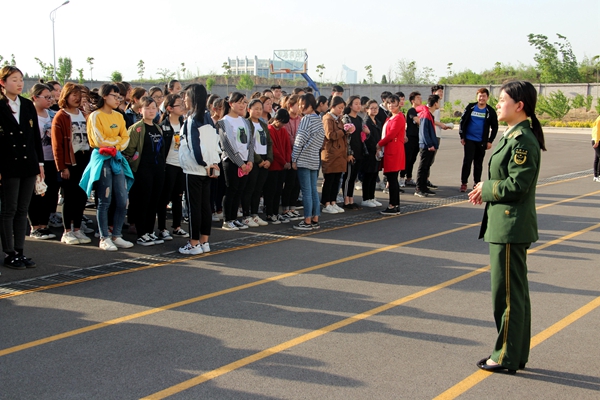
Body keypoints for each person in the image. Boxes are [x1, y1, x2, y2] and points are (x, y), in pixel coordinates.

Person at [469, 80, 546, 374]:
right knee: (513, 294)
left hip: (511, 227)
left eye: (502, 100)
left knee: (507, 296)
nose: (498, 104)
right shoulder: (511, 135)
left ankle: (505, 356)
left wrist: (486, 188)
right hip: (504, 225)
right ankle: (514, 353)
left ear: (519, 105)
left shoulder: (523, 140)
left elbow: (518, 184)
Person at [0, 66, 44, 269]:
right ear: (3, 82)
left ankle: (19, 250)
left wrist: (40, 164)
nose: (19, 84)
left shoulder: (27, 105)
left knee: (22, 209)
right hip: (8, 164)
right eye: (14, 79)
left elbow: (35, 138)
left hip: (28, 163)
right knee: (9, 209)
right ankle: (9, 252)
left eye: (21, 80)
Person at [81, 84, 134, 251]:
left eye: (119, 97)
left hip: (116, 159)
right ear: (104, 96)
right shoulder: (95, 116)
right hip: (102, 160)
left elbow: (125, 139)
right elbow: (98, 141)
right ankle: (104, 237)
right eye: (115, 96)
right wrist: (116, 143)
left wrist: (115, 146)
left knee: (122, 199)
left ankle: (116, 235)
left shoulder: (119, 117)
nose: (118, 100)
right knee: (105, 200)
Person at [177, 84, 221, 254]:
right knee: (205, 206)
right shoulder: (208, 118)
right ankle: (204, 241)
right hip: (208, 168)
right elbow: (213, 143)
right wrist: (212, 163)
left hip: (194, 169)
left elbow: (195, 147)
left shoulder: (191, 119)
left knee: (194, 207)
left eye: (186, 97)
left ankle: (194, 243)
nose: (184, 100)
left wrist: (204, 163)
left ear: (193, 98)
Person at [52, 82, 93, 245]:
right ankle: (67, 231)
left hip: (85, 158)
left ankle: (77, 228)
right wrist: (62, 167)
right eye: (73, 95)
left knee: (82, 195)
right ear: (66, 96)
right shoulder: (61, 116)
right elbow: (57, 145)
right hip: (71, 160)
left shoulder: (83, 114)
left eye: (79, 95)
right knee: (70, 196)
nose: (77, 98)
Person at [123, 97, 166, 246]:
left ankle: (149, 231)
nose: (151, 111)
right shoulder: (136, 128)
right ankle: (141, 233)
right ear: (140, 110)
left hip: (158, 169)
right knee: (143, 202)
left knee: (154, 202)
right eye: (147, 108)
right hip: (143, 170)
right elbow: (129, 150)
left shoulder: (157, 127)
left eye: (154, 108)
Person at [217, 92, 254, 231]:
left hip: (245, 162)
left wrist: (250, 161)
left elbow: (251, 142)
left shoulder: (244, 121)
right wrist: (241, 163)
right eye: (239, 102)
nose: (242, 105)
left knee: (240, 190)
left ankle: (234, 218)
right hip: (231, 161)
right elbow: (227, 145)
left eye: (244, 102)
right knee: (231, 190)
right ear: (231, 104)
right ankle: (227, 220)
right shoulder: (224, 122)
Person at [157, 94, 189, 240]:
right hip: (168, 165)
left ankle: (177, 226)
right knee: (164, 198)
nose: (182, 107)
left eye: (183, 104)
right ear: (169, 108)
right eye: (179, 105)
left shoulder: (185, 124)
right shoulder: (163, 125)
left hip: (181, 165)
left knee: (178, 197)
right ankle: (162, 228)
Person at [28, 83, 58, 240]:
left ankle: (44, 225)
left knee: (50, 193)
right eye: (46, 97)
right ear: (35, 97)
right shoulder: (29, 115)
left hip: (52, 159)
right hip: (36, 160)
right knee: (36, 193)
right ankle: (35, 226)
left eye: (51, 97)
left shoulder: (53, 115)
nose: (50, 100)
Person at [291, 94, 325, 231]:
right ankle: (315, 218)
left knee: (306, 192)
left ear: (310, 105)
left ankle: (307, 220)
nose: (300, 107)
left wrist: (294, 158)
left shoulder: (306, 120)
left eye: (302, 105)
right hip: (314, 158)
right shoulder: (318, 119)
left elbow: (299, 141)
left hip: (304, 159)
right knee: (313, 191)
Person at [459, 88, 499, 192]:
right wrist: (462, 136)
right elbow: (462, 122)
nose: (481, 98)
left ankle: (476, 183)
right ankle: (464, 183)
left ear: (487, 98)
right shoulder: (470, 107)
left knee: (478, 163)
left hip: (481, 141)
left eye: (484, 96)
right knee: (467, 161)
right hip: (469, 140)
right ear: (477, 97)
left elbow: (495, 127)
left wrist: (490, 141)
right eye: (480, 96)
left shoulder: (490, 111)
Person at [241, 99, 272, 227]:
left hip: (265, 159)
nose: (258, 111)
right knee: (250, 188)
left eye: (260, 108)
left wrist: (269, 159)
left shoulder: (263, 124)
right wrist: (258, 160)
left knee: (258, 189)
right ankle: (246, 215)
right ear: (249, 109)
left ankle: (254, 214)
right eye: (256, 108)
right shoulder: (246, 124)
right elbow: (248, 145)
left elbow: (269, 143)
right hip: (253, 161)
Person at [376, 94, 405, 215]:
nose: (391, 105)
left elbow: (391, 134)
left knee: (392, 179)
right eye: (389, 103)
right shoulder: (391, 117)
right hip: (391, 149)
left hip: (393, 150)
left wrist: (379, 144)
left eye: (393, 102)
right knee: (392, 179)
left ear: (399, 103)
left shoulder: (398, 117)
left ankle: (393, 205)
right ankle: (395, 204)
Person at [321, 96, 348, 214]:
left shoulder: (338, 119)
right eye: (339, 108)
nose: (341, 110)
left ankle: (333, 201)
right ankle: (326, 203)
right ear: (332, 107)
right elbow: (330, 135)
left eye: (342, 108)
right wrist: (344, 131)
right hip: (331, 153)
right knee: (329, 179)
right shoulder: (327, 119)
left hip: (340, 153)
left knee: (337, 179)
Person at [264, 109, 291, 223]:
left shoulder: (283, 130)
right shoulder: (269, 129)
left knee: (278, 190)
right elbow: (273, 149)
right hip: (274, 165)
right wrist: (283, 161)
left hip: (282, 166)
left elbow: (287, 147)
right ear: (276, 119)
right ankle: (270, 213)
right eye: (281, 122)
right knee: (271, 191)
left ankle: (276, 212)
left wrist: (288, 161)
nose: (282, 125)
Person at [341, 95, 367, 209]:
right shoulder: (346, 118)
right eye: (356, 103)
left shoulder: (360, 119)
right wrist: (348, 153)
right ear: (350, 105)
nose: (358, 105)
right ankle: (346, 201)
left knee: (354, 177)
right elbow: (346, 138)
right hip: (351, 152)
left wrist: (367, 132)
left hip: (359, 151)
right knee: (348, 177)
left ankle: (351, 199)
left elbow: (362, 136)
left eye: (359, 103)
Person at [414, 95, 440, 197]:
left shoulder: (429, 114)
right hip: (426, 146)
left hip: (429, 145)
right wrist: (429, 144)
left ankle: (424, 187)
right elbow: (424, 132)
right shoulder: (425, 114)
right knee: (423, 167)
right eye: (439, 102)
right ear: (435, 103)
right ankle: (419, 188)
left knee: (426, 167)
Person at [362, 100, 383, 208]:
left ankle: (372, 197)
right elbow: (366, 139)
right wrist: (376, 146)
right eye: (372, 108)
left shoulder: (377, 122)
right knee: (368, 175)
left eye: (376, 108)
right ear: (367, 109)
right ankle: (366, 198)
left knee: (374, 175)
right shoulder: (366, 122)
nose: (374, 110)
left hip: (377, 151)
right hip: (369, 152)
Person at [400, 91, 422, 188]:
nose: (420, 99)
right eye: (418, 98)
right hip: (410, 138)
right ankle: (401, 178)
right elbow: (417, 121)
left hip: (418, 138)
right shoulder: (412, 111)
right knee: (407, 159)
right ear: (412, 101)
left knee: (413, 159)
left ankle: (409, 178)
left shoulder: (420, 111)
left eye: (420, 98)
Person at [590, 115, 600, 182]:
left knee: (597, 158)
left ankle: (595, 176)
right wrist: (596, 141)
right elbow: (596, 131)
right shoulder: (599, 120)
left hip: (597, 140)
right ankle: (598, 175)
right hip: (597, 141)